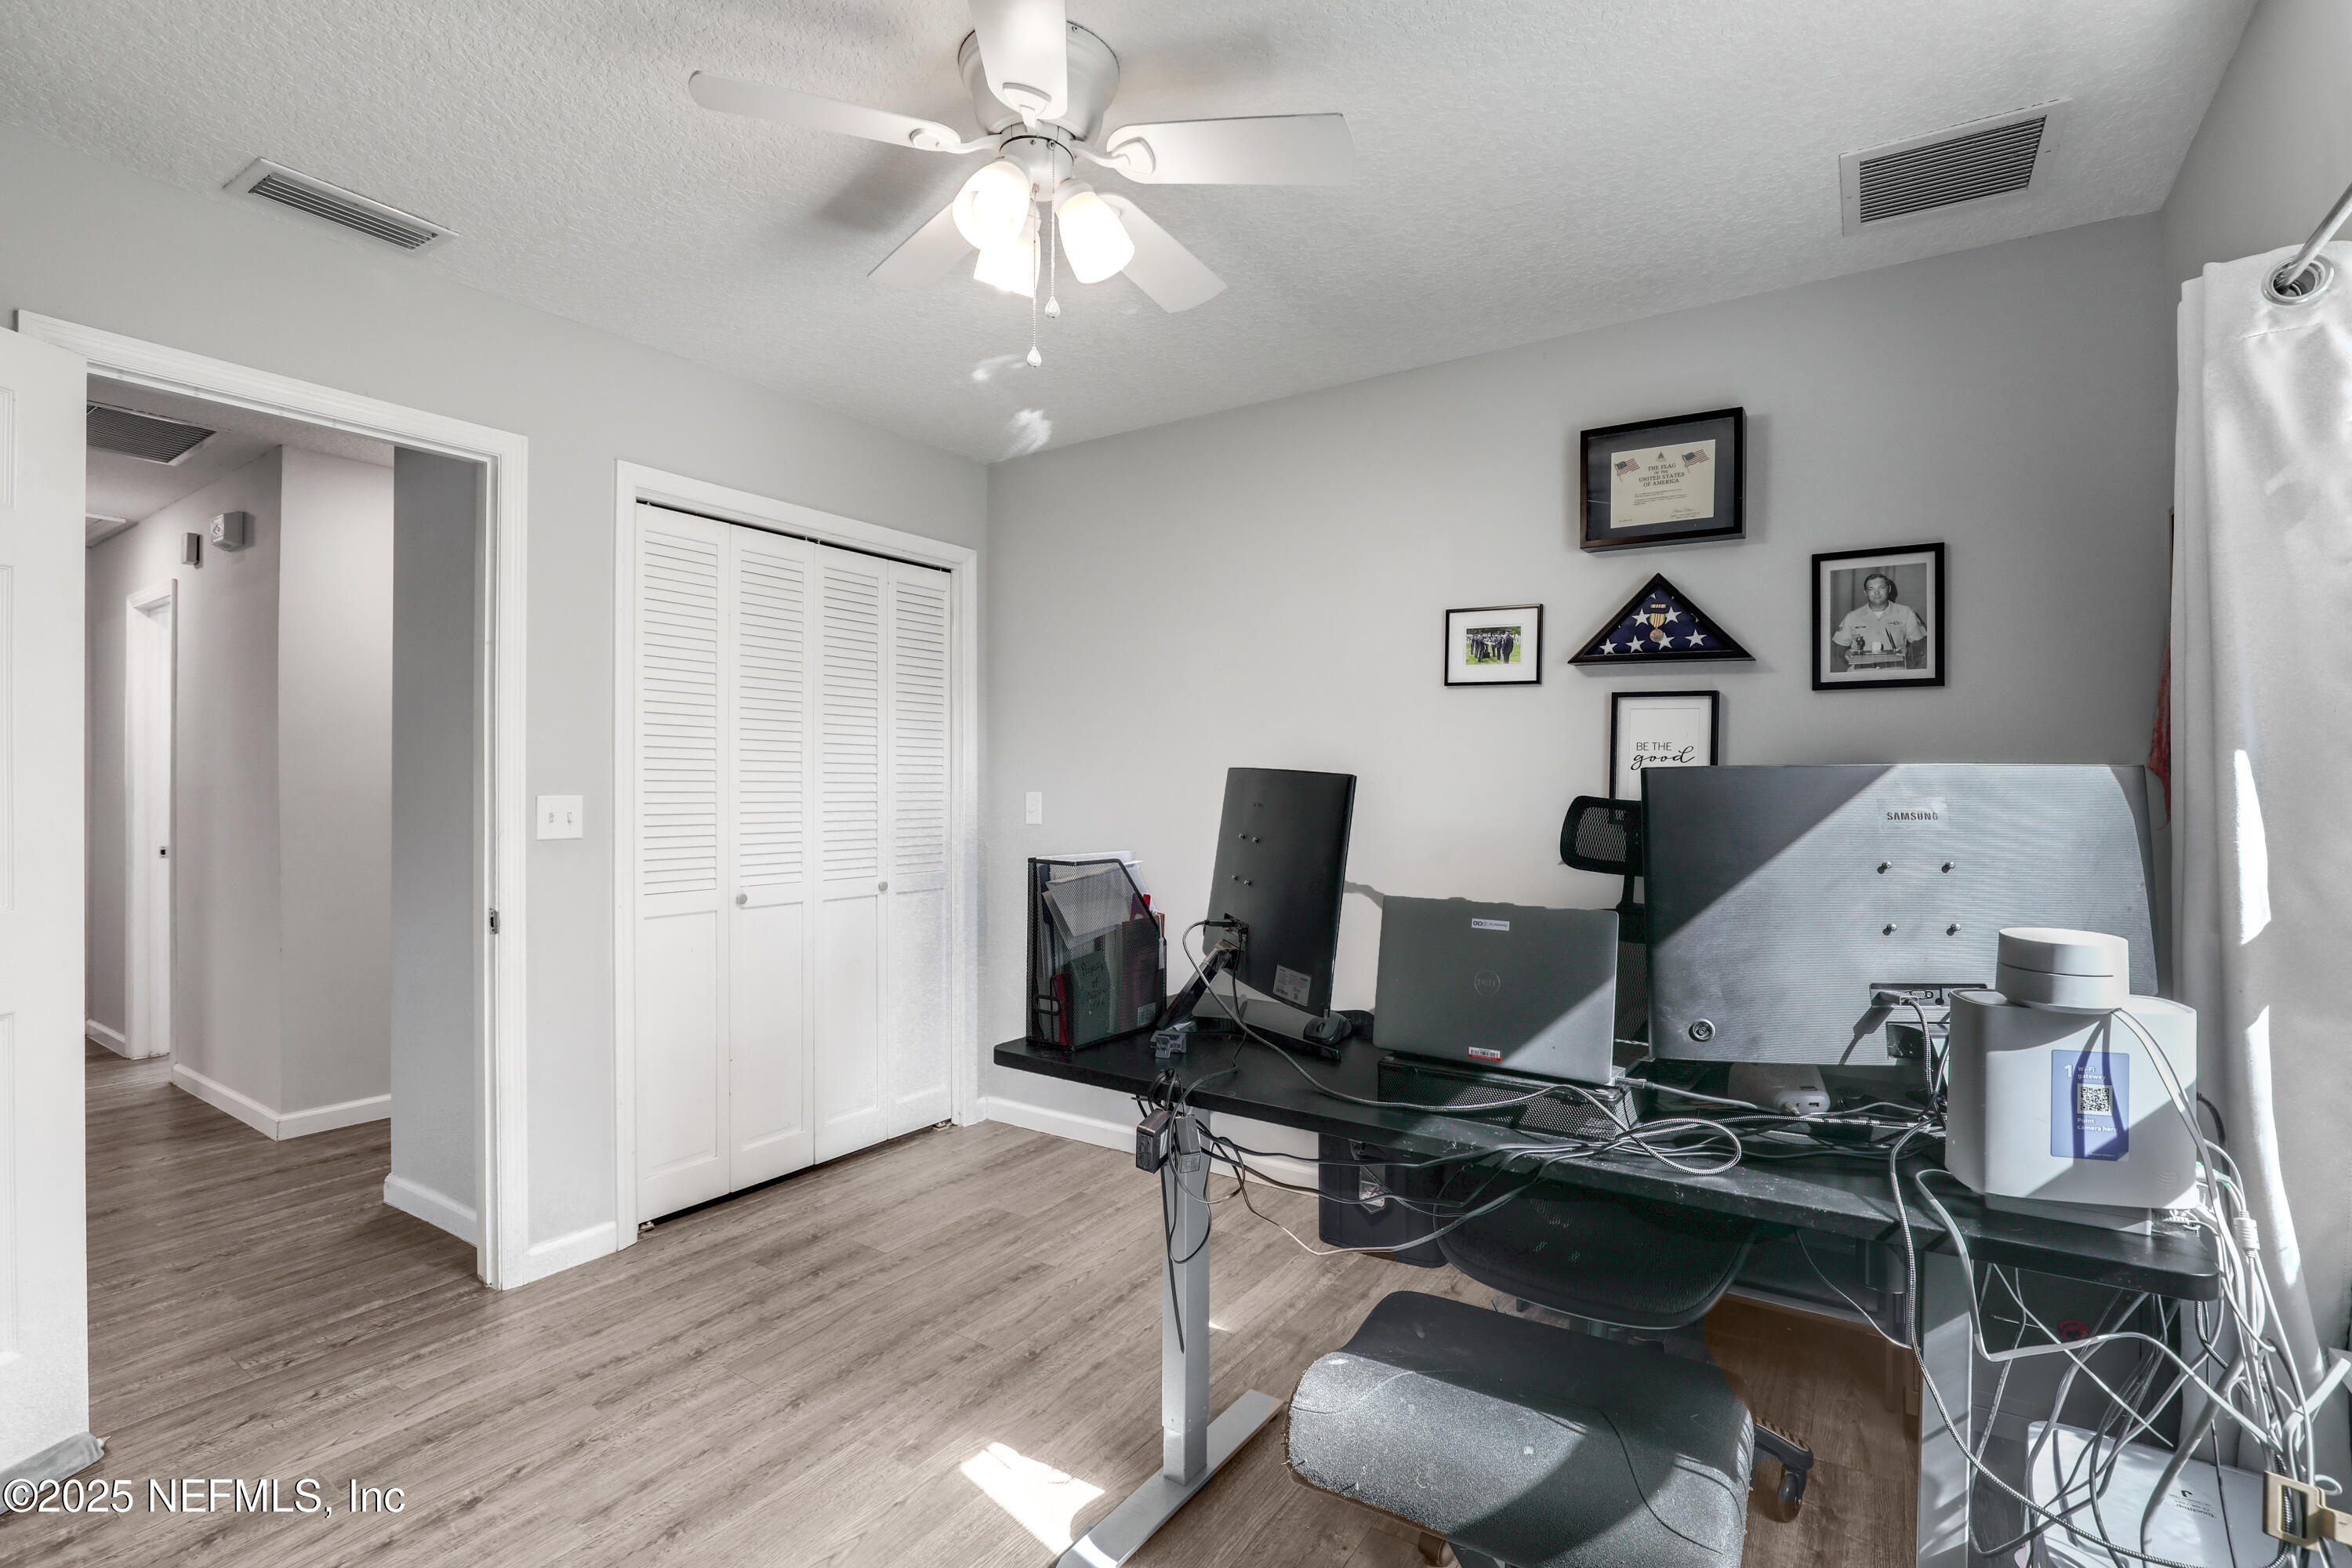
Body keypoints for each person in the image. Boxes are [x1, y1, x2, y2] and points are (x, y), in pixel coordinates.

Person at [1833, 572, 1926, 669]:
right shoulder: (1852, 617)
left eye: (1881, 587)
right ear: (1865, 593)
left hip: (1896, 670)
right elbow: (1839, 650)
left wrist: (1909, 650)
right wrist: (1847, 653)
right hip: (1861, 672)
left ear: (1889, 589)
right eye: (1871, 589)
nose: (1877, 593)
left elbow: (1920, 644)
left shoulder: (1906, 612)